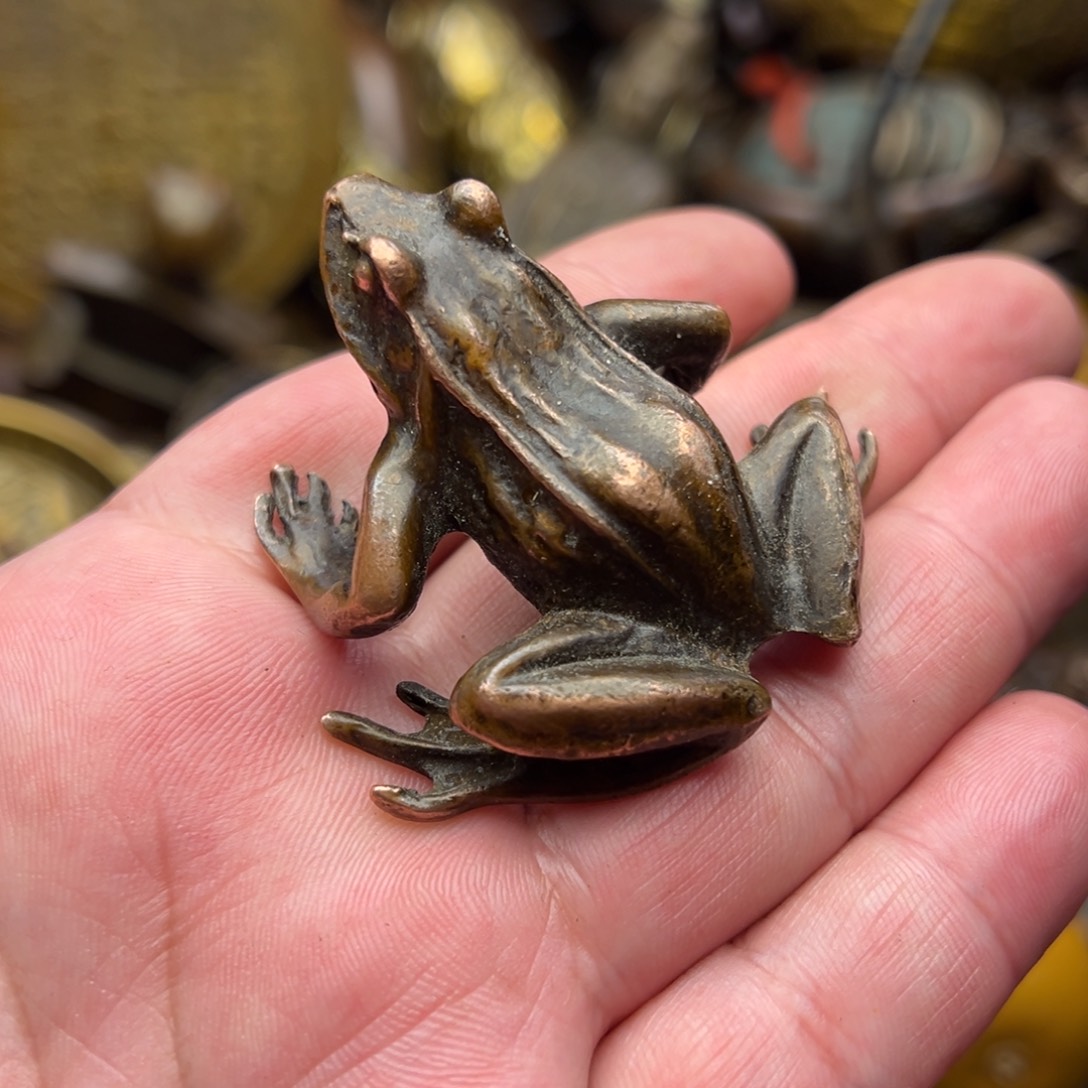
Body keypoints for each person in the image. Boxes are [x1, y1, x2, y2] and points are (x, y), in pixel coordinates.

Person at [1, 206, 1086, 1087]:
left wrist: (313, 562)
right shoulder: (593, 331)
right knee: (803, 420)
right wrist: (578, 348)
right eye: (387, 268)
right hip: (751, 557)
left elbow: (363, 608)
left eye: (453, 219)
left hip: (664, 624)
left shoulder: (418, 451)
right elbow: (702, 330)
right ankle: (807, 533)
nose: (351, 211)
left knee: (485, 694)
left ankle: (502, 751)